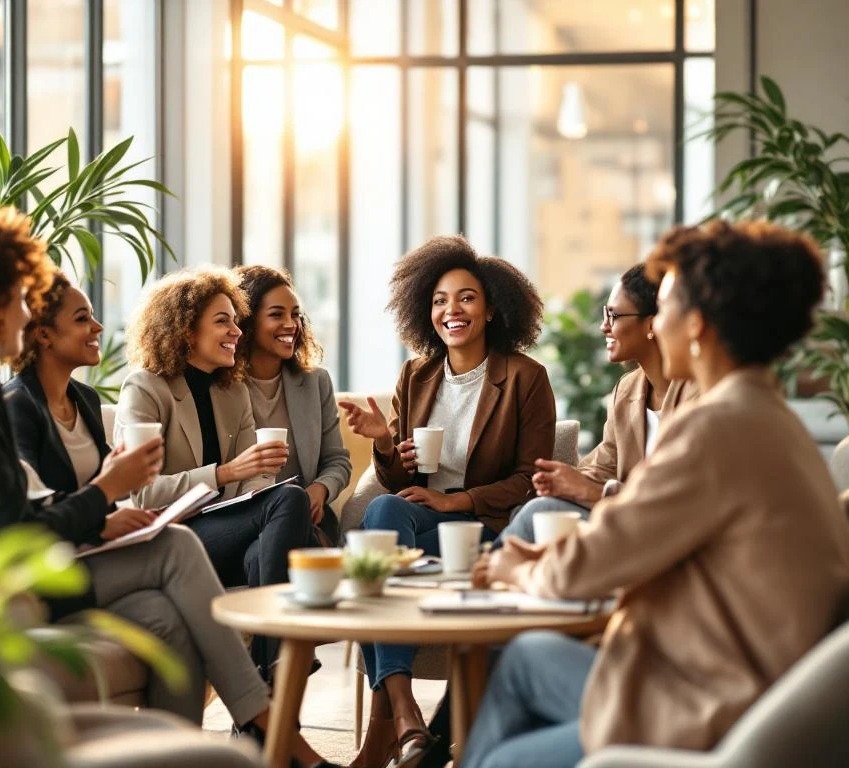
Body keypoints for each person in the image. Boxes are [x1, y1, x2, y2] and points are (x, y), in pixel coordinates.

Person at [0, 210, 331, 768]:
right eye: (18, 296)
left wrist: (101, 514)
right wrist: (108, 490)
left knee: (166, 617)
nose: (23, 310)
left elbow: (13, 508)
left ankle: (206, 745)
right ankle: (275, 730)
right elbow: (14, 530)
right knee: (177, 549)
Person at [464, 220, 849, 768]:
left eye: (663, 309)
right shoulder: (770, 418)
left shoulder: (716, 427)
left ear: (695, 326)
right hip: (753, 678)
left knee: (505, 759)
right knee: (527, 655)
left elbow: (588, 566)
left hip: (720, 704)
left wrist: (514, 570)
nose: (655, 324)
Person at [339, 235, 556, 768]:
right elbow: (397, 482)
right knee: (382, 517)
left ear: (490, 309)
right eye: (438, 300)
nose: (450, 310)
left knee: (375, 553)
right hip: (419, 525)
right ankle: (408, 712)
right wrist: (385, 442)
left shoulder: (526, 378)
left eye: (465, 298)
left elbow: (532, 479)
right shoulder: (417, 374)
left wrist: (455, 502)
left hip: (485, 531)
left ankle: (387, 730)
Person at [114, 267, 318, 680]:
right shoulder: (146, 389)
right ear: (187, 331)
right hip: (171, 539)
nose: (236, 332)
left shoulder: (233, 390)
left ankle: (268, 677)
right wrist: (223, 474)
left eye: (235, 321)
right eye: (222, 321)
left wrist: (252, 478)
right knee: (291, 501)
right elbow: (140, 495)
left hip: (225, 534)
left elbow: (256, 480)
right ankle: (276, 666)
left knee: (267, 547)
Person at [501, 263, 696, 542]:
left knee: (540, 512)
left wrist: (592, 492)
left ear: (652, 323)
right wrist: (564, 479)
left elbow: (679, 496)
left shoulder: (701, 397)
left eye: (614, 315)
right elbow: (604, 464)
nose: (604, 326)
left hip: (668, 533)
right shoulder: (627, 390)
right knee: (536, 511)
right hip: (629, 522)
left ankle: (486, 576)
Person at [234, 265, 351, 547]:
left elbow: (337, 461)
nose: (291, 324)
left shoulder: (315, 382)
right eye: (277, 315)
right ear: (248, 322)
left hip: (308, 518)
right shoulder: (224, 387)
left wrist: (320, 490)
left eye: (296, 315)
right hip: (245, 519)